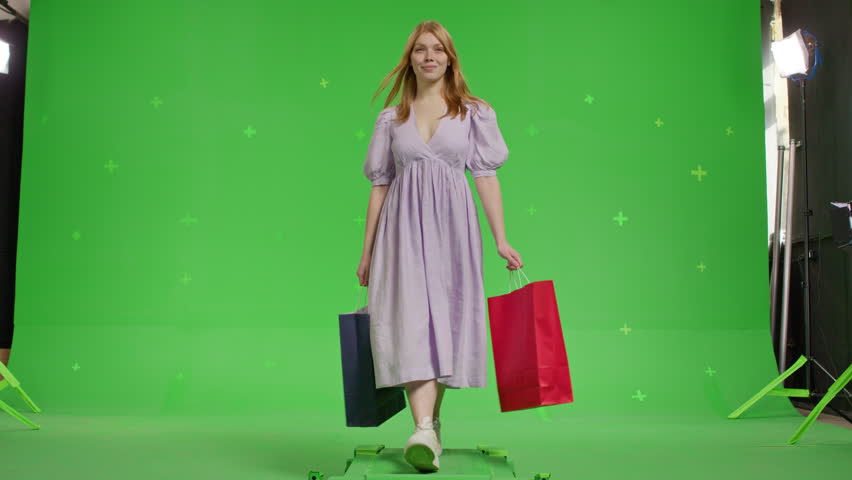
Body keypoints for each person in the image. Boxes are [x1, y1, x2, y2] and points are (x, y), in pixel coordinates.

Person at [355, 21, 523, 472]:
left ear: (450, 58)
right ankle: (424, 428)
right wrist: (367, 251)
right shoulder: (391, 119)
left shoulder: (473, 113)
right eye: (420, 50)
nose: (429, 56)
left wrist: (501, 239)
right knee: (409, 320)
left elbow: (485, 177)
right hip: (401, 231)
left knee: (442, 321)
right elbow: (380, 184)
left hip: (453, 230)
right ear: (409, 59)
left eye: (438, 50)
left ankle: (430, 425)